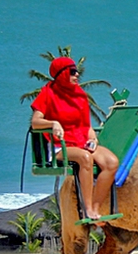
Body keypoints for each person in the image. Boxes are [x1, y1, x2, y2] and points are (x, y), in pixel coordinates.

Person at [31, 56, 119, 222]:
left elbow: (87, 126)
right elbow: (36, 122)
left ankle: (95, 207)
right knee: (85, 158)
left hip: (80, 142)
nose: (77, 74)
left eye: (77, 71)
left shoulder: (80, 95)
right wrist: (53, 123)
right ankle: (86, 208)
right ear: (62, 74)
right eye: (72, 72)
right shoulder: (48, 93)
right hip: (59, 146)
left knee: (111, 162)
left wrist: (93, 139)